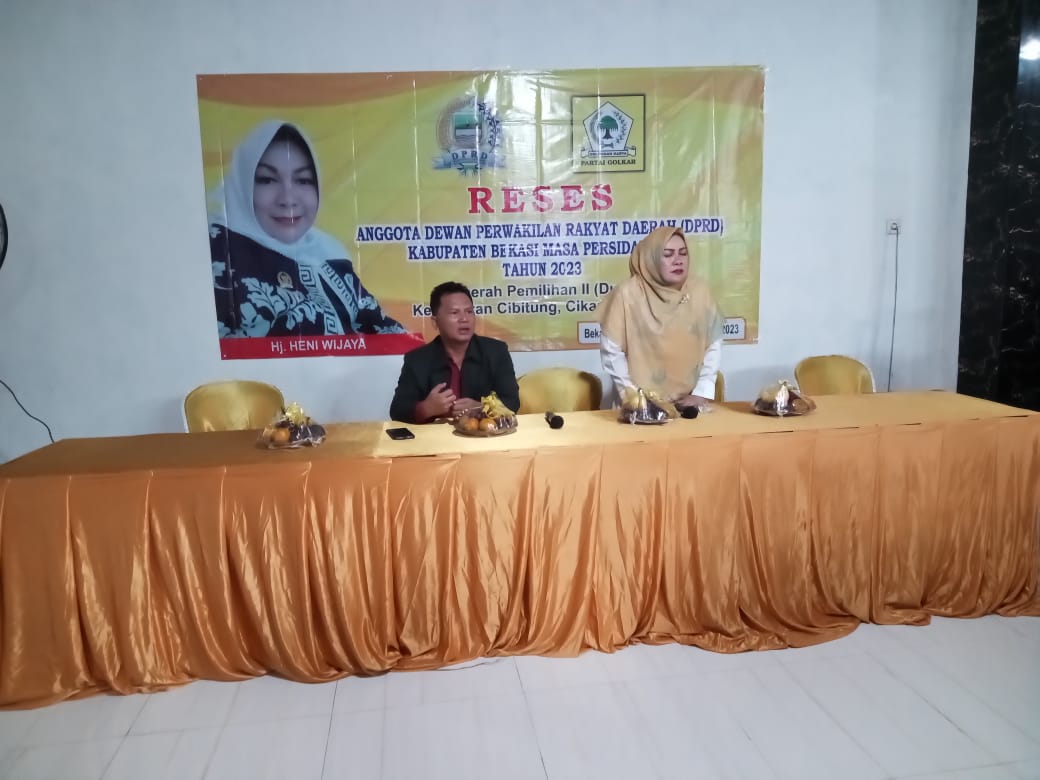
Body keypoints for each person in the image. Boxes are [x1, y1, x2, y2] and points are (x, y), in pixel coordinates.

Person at [209, 119, 406, 338]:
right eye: (267, 180)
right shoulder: (216, 255)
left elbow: (379, 326)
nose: (288, 199)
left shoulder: (329, 256)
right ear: (242, 184)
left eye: (303, 180)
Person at [597, 226, 723, 409]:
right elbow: (611, 351)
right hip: (638, 407)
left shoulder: (699, 292)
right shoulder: (628, 294)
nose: (678, 260)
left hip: (689, 405)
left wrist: (701, 393)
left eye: (683, 253)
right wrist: (632, 397)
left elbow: (713, 344)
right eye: (668, 254)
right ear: (652, 259)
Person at [390, 282, 520, 423]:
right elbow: (397, 410)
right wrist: (426, 408)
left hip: (483, 433)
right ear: (435, 322)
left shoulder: (496, 352)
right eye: (454, 312)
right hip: (436, 435)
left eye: (469, 311)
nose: (464, 319)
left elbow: (512, 402)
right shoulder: (417, 360)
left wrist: (482, 408)